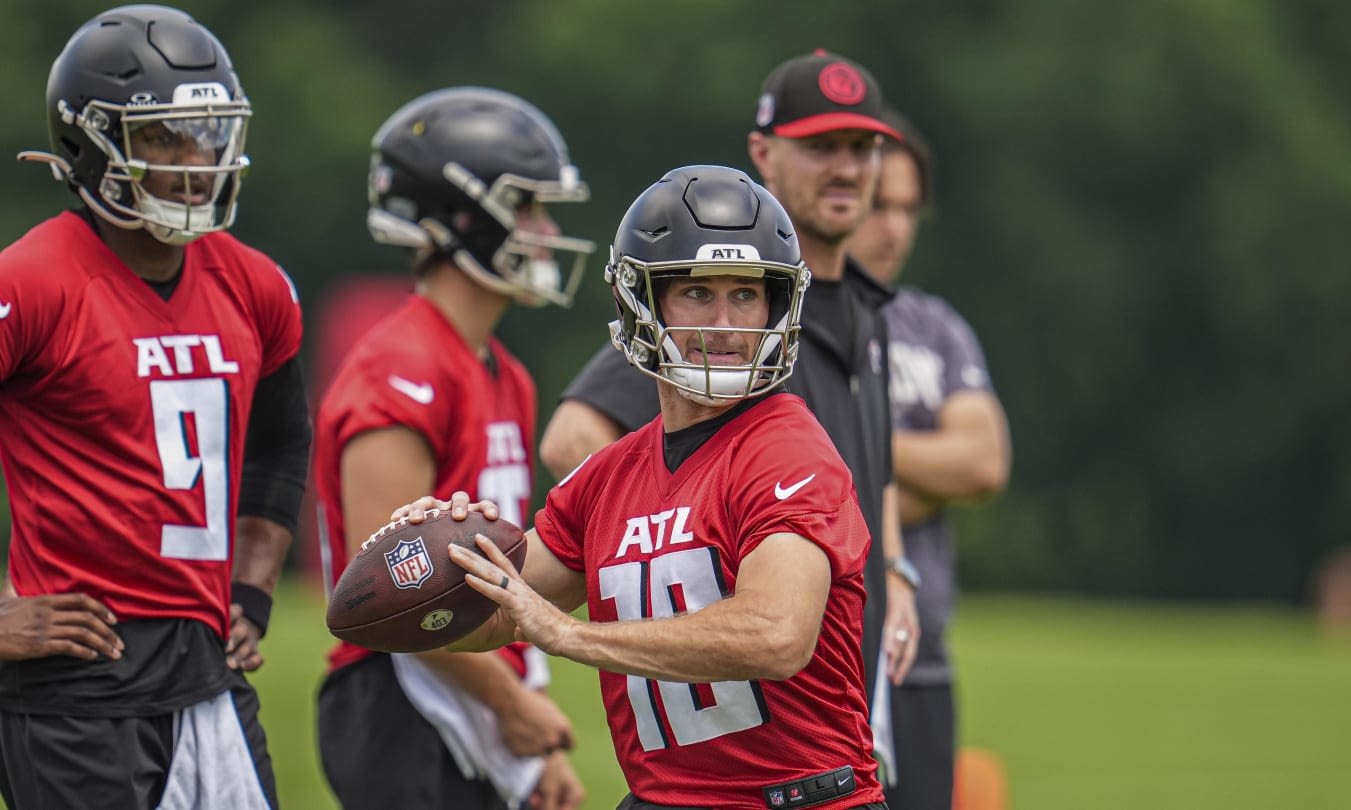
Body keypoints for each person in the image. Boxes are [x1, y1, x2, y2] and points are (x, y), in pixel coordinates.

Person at [393, 164, 888, 809]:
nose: (726, 325)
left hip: (797, 799)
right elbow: (488, 620)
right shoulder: (610, 476)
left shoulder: (785, 447)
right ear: (643, 303)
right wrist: (435, 561)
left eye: (746, 294)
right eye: (698, 294)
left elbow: (776, 634)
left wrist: (571, 636)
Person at [538, 50, 920, 775]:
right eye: (820, 147)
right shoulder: (703, 286)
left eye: (861, 147)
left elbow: (873, 474)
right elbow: (579, 438)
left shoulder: (865, 311)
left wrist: (894, 566)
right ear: (764, 152)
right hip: (723, 719)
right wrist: (670, 528)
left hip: (823, 704)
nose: (845, 168)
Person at [0, 5, 310, 808]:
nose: (194, 161)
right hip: (79, 684)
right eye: (164, 138)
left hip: (208, 669)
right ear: (91, 143)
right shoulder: (30, 282)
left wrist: (253, 586)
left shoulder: (256, 285)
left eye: (205, 134)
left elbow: (280, 442)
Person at [312, 87, 589, 810]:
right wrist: (511, 707)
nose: (545, 227)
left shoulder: (505, 371)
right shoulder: (400, 368)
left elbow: (503, 572)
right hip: (400, 700)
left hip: (471, 682)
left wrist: (519, 729)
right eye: (527, 206)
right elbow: (394, 591)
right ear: (464, 215)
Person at [844, 107, 1012, 807]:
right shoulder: (781, 316)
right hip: (827, 659)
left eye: (910, 209)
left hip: (924, 658)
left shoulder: (934, 328)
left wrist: (855, 445)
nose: (896, 229)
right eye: (880, 206)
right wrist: (919, 472)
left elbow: (983, 462)